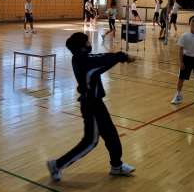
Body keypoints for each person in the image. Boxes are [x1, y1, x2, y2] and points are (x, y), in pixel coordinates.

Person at [46, 32, 136, 181]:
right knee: (90, 141)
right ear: (82, 47)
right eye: (87, 42)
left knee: (111, 135)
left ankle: (116, 166)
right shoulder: (85, 62)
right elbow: (103, 60)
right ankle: (57, 165)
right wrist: (123, 57)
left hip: (97, 103)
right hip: (91, 106)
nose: (90, 44)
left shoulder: (81, 58)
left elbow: (99, 57)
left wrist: (121, 57)